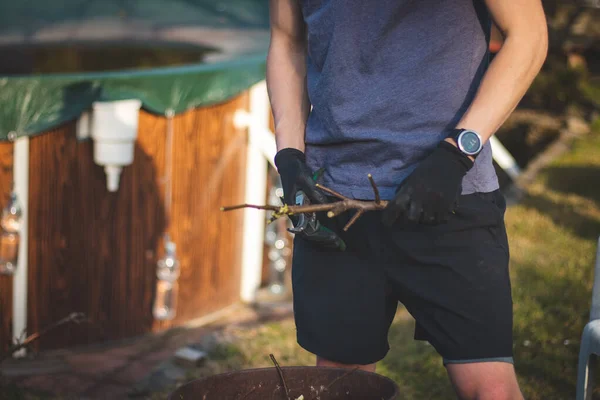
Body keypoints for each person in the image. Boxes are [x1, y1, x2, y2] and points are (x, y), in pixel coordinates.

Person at [266, 0, 548, 398]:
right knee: (344, 385)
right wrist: (291, 156)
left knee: (489, 387)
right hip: (332, 200)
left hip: (449, 193)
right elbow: (286, 39)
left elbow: (529, 34)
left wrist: (457, 153)